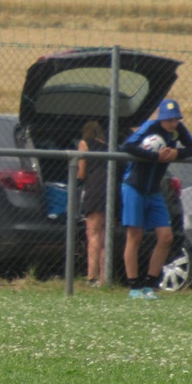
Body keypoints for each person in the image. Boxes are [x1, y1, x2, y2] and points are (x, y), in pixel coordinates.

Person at [120, 98, 192, 300]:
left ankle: (150, 284)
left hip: (154, 190)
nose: (173, 123)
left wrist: (176, 153)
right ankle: (134, 286)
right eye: (169, 119)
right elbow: (127, 147)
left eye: (176, 119)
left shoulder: (177, 130)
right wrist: (155, 156)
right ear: (161, 118)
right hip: (134, 187)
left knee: (166, 237)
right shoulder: (150, 127)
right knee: (135, 235)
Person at [77, 121, 107, 287]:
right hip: (110, 190)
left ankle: (91, 276)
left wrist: (76, 178)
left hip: (95, 188)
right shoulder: (109, 146)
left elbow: (81, 172)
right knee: (105, 234)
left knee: (93, 233)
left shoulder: (85, 144)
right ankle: (104, 278)